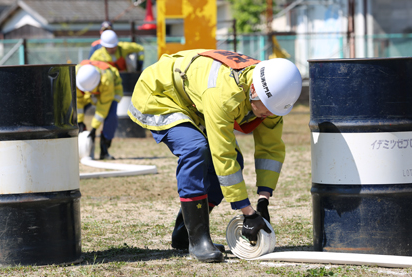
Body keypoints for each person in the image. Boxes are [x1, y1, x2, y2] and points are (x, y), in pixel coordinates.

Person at [127, 49, 302, 262]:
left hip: (194, 102)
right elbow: (223, 154)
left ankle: (184, 234)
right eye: (265, 109)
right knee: (196, 149)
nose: (268, 115)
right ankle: (198, 239)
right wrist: (248, 212)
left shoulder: (272, 98)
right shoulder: (224, 92)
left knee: (233, 161)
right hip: (160, 94)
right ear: (253, 89)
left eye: (273, 112)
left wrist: (263, 200)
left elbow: (270, 148)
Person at [76, 59, 123, 160]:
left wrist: (94, 128)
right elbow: (78, 100)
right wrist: (79, 121)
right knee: (71, 112)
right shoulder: (76, 75)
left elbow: (103, 107)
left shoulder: (107, 79)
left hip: (111, 92)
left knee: (111, 117)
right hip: (92, 93)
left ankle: (104, 148)